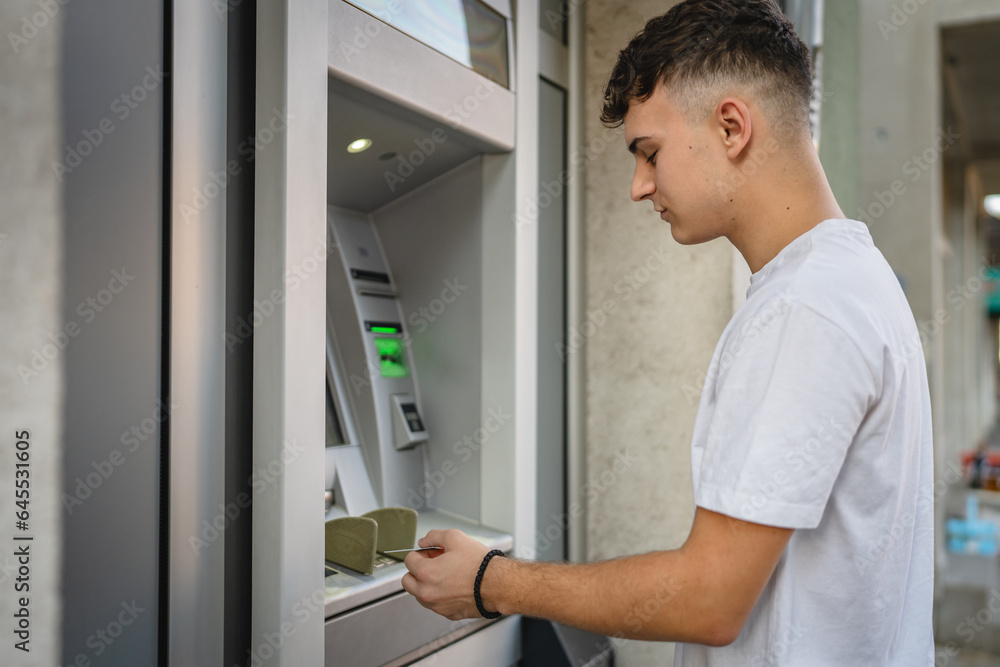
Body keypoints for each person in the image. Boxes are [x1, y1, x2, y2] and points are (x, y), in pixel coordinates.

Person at [401, 0, 935, 663]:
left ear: (733, 126)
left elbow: (709, 600)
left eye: (649, 153)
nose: (637, 186)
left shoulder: (806, 307)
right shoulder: (854, 277)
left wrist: (491, 580)